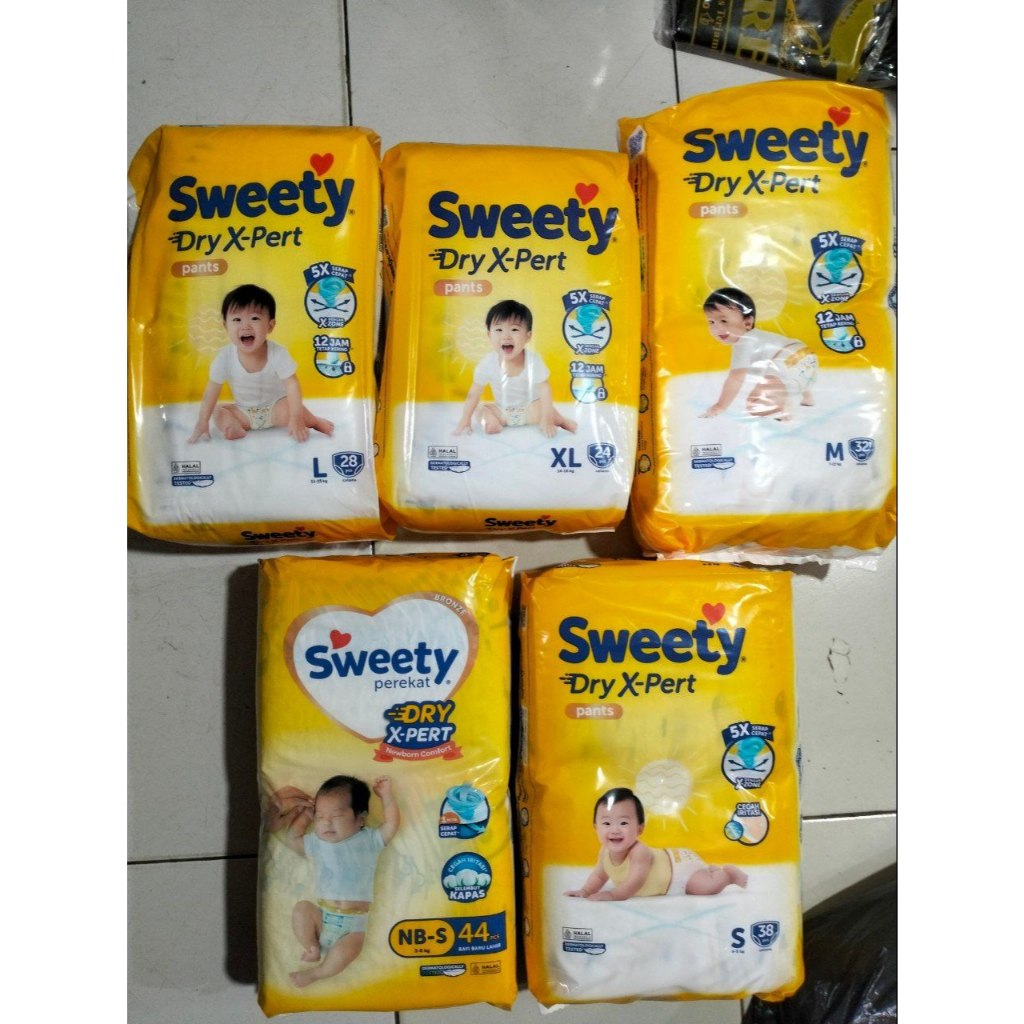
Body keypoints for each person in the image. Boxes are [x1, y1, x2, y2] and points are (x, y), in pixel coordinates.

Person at [268, 775, 399, 988]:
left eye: (336, 815)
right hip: (322, 915)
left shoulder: (369, 840)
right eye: (320, 816)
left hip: (353, 926)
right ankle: (312, 946)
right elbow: (293, 838)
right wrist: (306, 816)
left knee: (348, 951)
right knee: (302, 909)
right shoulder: (317, 842)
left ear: (361, 819)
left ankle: (317, 973)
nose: (326, 822)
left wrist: (386, 795)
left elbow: (392, 824)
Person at [188, 283, 334, 443]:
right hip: (244, 413)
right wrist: (202, 421)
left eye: (254, 318)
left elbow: (292, 384)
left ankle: (314, 422)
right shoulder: (224, 357)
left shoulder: (278, 353)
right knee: (219, 410)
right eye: (237, 319)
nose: (245, 326)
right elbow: (212, 390)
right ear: (225, 326)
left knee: (291, 407)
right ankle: (233, 426)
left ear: (270, 326)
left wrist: (296, 417)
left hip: (276, 409)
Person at [565, 787, 747, 901]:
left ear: (640, 828)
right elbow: (599, 876)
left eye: (623, 823)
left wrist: (613, 895)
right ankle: (711, 870)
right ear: (596, 827)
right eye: (606, 823)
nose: (615, 830)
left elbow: (635, 882)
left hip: (679, 868)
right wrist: (585, 891)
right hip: (670, 864)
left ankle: (727, 874)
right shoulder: (604, 852)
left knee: (703, 888)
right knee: (702, 881)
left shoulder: (639, 852)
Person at [453, 299, 576, 438]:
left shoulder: (533, 361)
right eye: (499, 330)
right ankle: (492, 423)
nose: (506, 336)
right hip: (502, 412)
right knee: (481, 408)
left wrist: (546, 419)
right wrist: (465, 418)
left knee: (543, 407)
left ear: (528, 336)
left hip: (530, 410)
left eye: (514, 329)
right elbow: (474, 393)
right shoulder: (487, 362)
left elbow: (545, 389)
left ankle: (562, 421)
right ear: (489, 335)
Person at [700, 287, 817, 421]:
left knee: (755, 404)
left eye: (723, 321)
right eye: (711, 322)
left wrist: (721, 405)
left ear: (747, 322)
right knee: (780, 378)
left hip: (788, 362)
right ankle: (807, 396)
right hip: (807, 357)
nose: (716, 328)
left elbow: (736, 378)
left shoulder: (744, 341)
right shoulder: (758, 336)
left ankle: (784, 405)